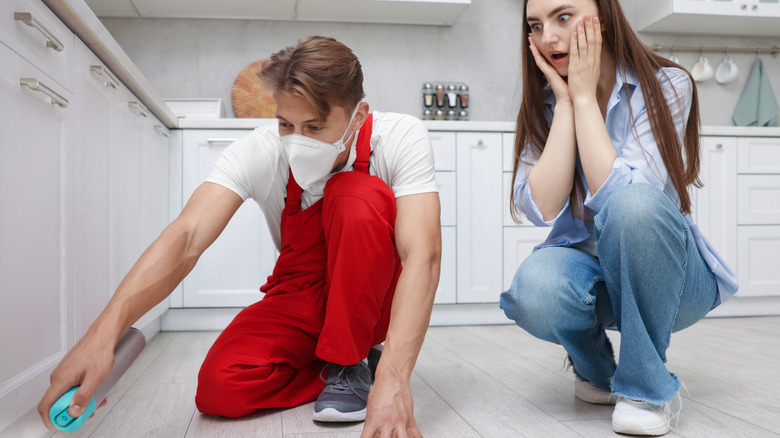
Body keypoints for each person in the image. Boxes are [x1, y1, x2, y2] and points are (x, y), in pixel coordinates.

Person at [38, 36, 441, 437]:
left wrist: (394, 379)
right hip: (302, 294)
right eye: (286, 123)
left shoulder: (400, 136)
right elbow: (188, 235)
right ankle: (341, 366)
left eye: (315, 127)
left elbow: (422, 255)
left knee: (354, 193)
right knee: (220, 387)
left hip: (372, 297)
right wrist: (103, 333)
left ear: (357, 116)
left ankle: (353, 360)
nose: (297, 140)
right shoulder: (261, 150)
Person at [499, 0, 738, 435]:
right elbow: (540, 207)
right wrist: (569, 104)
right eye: (535, 24)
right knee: (534, 287)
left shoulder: (668, 84)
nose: (547, 36)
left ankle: (646, 388)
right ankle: (596, 372)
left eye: (563, 16)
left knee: (634, 206)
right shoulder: (546, 102)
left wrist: (587, 98)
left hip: (670, 277)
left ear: (604, 17)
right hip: (590, 275)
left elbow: (627, 201)